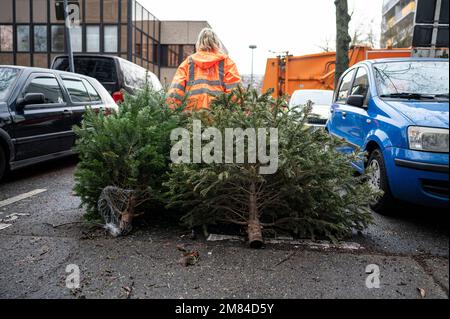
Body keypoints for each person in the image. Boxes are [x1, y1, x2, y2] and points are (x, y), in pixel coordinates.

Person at [168, 28, 241, 110]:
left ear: (198, 43)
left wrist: (173, 113)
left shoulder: (187, 63)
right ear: (217, 42)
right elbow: (235, 93)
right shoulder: (227, 62)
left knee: (196, 123)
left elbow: (175, 92)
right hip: (219, 116)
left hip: (194, 114)